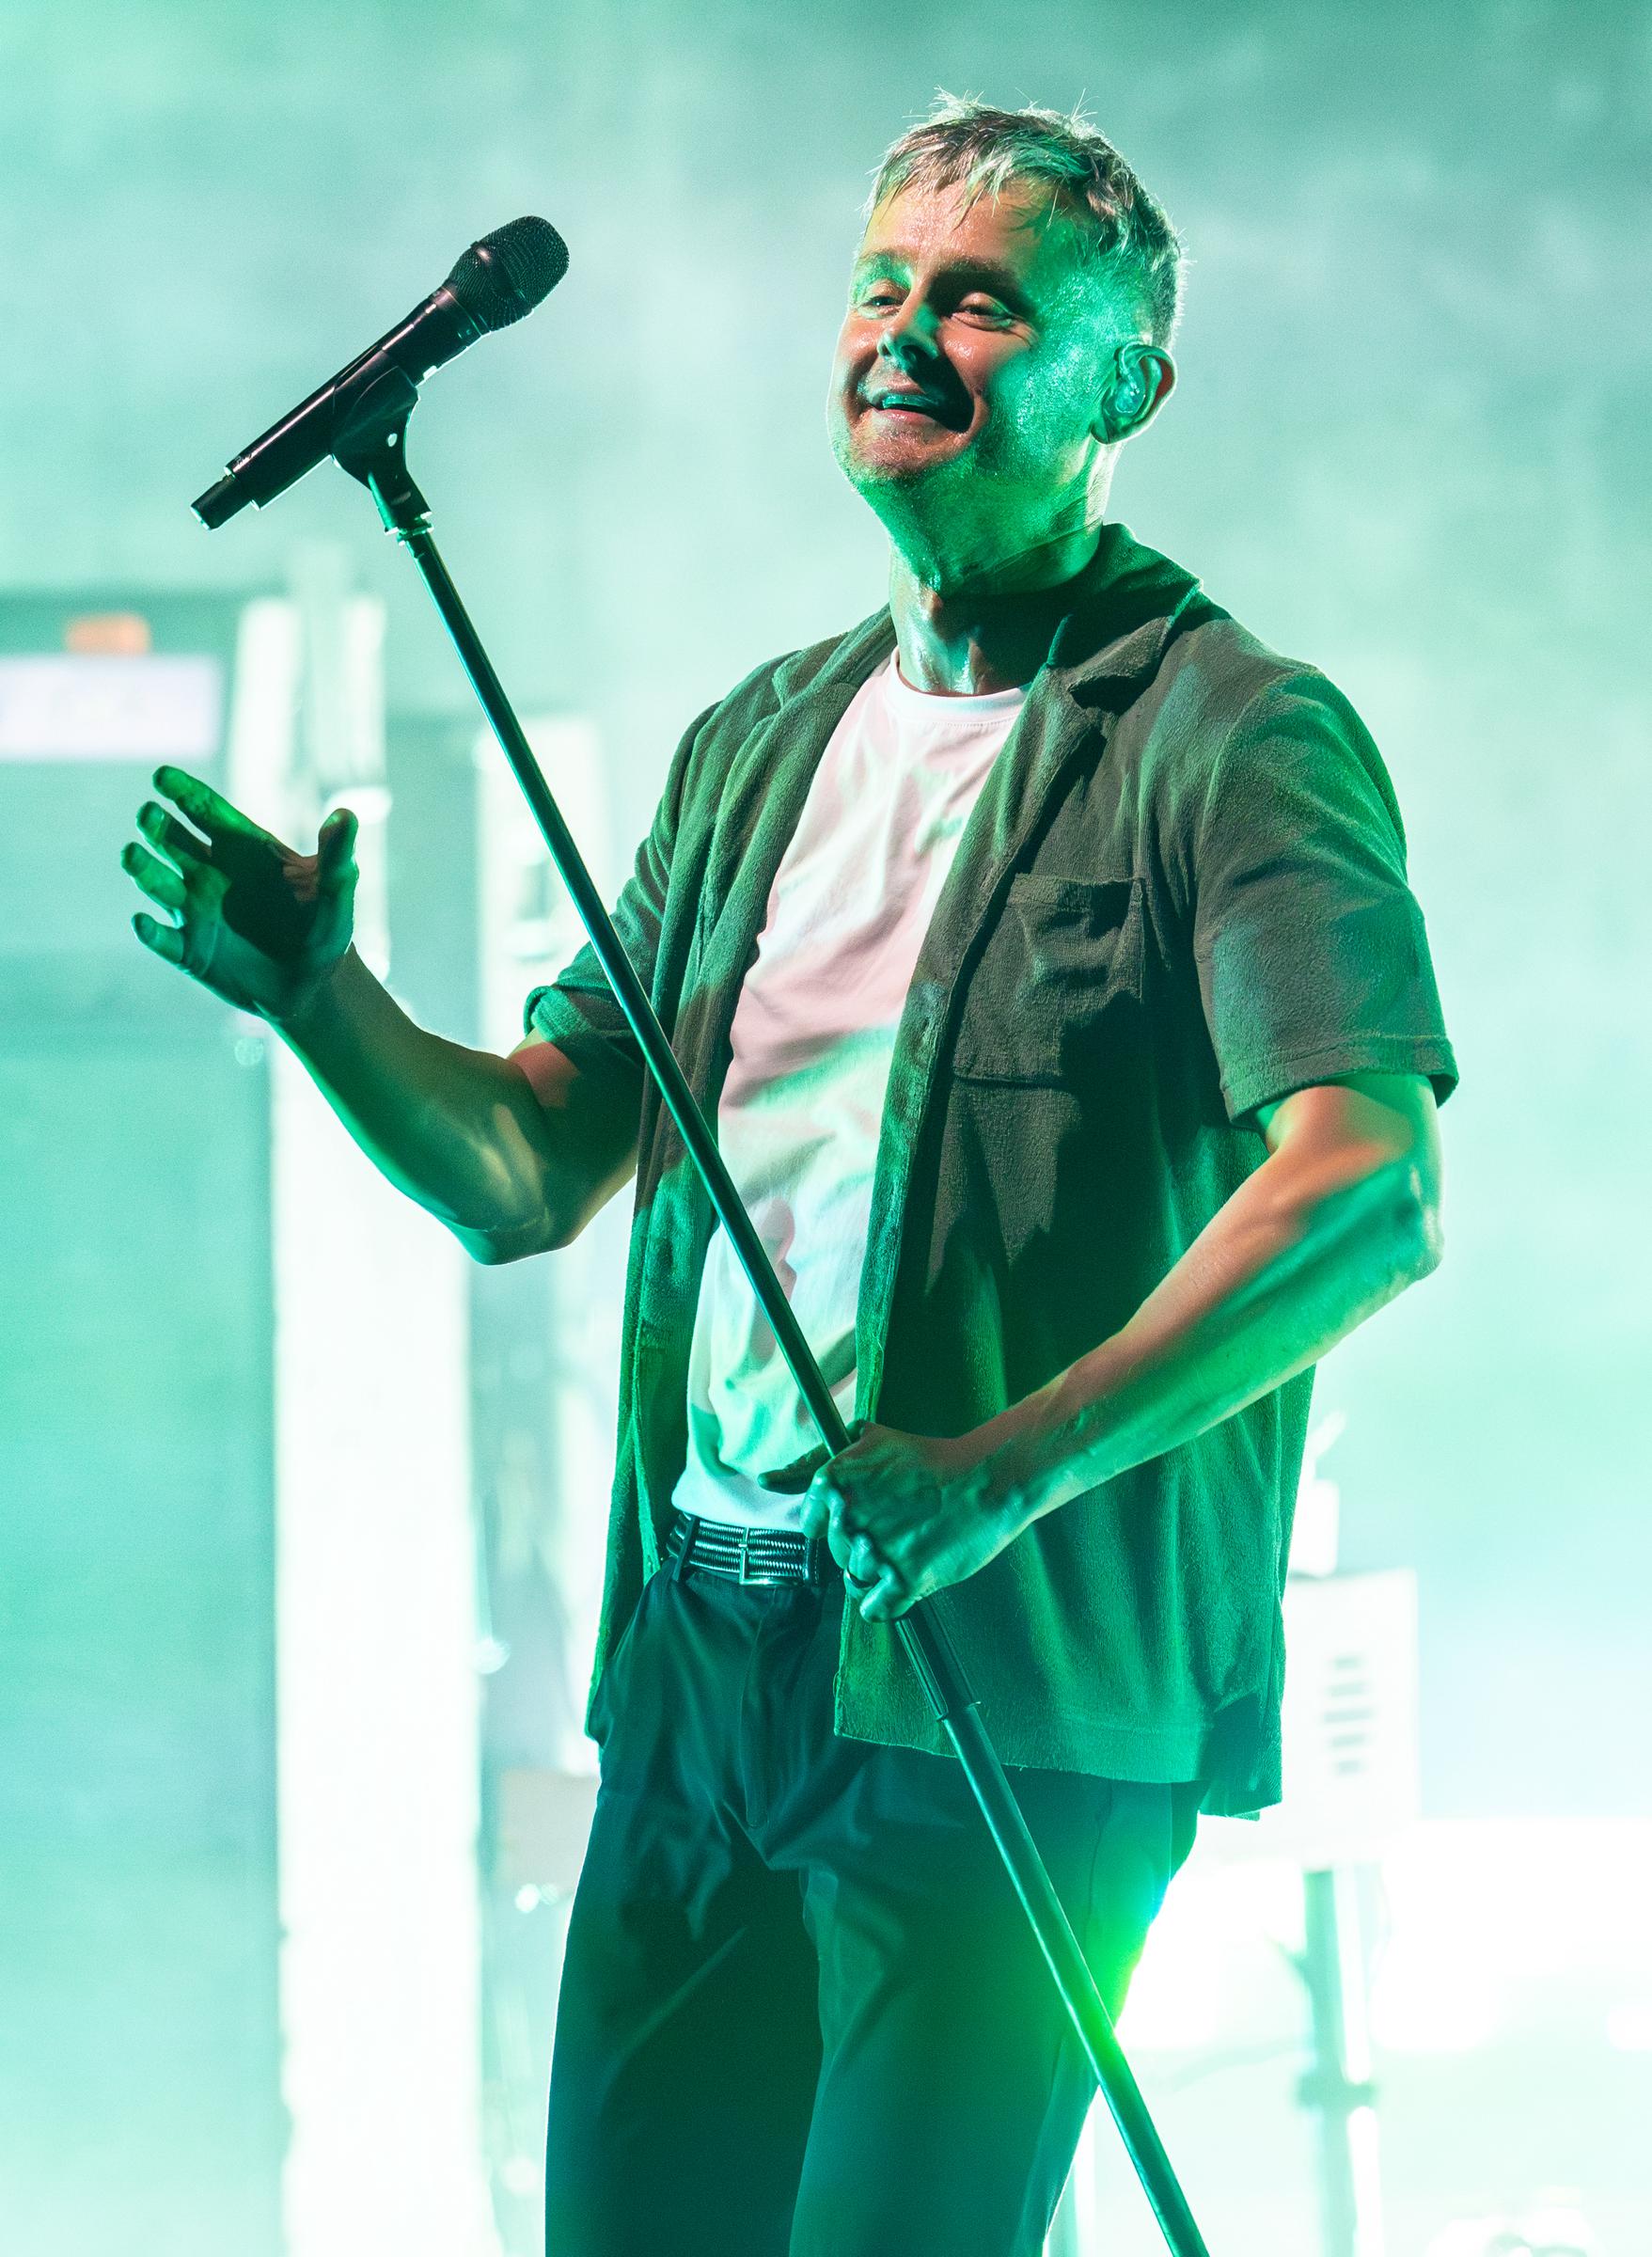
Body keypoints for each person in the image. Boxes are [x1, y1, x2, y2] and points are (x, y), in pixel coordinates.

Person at [122, 96, 1455, 2257]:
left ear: (1125, 386)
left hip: (992, 1697)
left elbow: (1367, 1184)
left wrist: (1004, 1466)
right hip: (702, 1681)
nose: (907, 334)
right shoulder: (759, 742)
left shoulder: (1233, 733)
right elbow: (520, 1172)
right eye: (879, 286)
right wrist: (318, 996)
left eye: (984, 302)